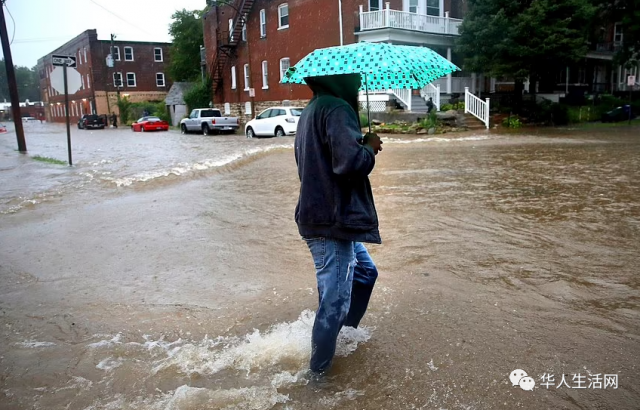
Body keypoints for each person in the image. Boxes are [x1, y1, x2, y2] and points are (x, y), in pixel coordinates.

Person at [294, 73, 383, 376]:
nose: (359, 82)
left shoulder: (313, 108)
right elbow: (351, 164)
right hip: (330, 221)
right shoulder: (336, 108)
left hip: (327, 216)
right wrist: (369, 147)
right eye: (354, 78)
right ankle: (318, 377)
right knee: (334, 302)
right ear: (339, 79)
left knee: (366, 274)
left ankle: (344, 336)